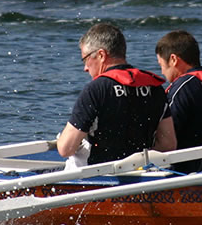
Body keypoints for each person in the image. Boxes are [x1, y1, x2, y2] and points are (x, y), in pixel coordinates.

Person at [57, 23, 176, 166]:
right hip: (141, 173)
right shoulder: (155, 87)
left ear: (101, 55)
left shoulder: (96, 90)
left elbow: (66, 149)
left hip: (99, 176)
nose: (85, 68)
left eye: (85, 59)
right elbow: (168, 144)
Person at [155, 30, 202, 173]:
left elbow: (168, 133)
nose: (162, 72)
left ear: (173, 59)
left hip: (180, 165)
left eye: (161, 65)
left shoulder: (183, 86)